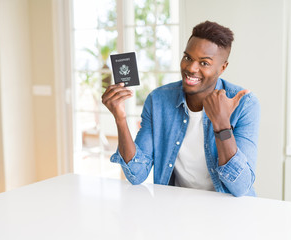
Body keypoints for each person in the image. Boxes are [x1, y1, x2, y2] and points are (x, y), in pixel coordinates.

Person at [102, 21, 260, 197]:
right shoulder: (158, 100)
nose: (191, 68)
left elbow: (241, 187)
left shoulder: (244, 104)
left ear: (222, 67)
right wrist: (120, 118)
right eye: (188, 58)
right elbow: (136, 174)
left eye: (204, 63)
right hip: (177, 207)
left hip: (227, 210)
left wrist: (221, 125)